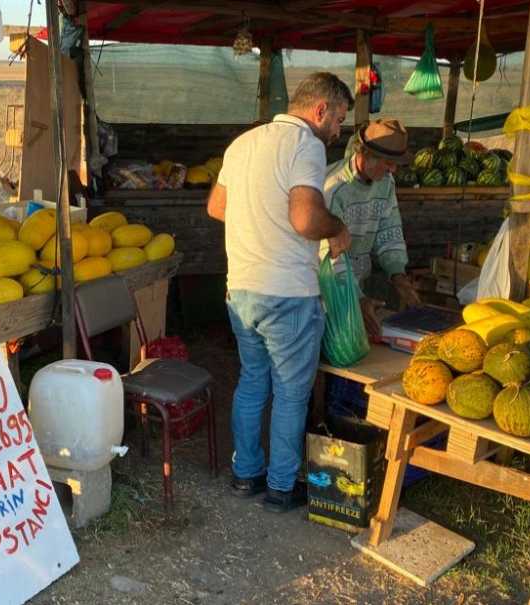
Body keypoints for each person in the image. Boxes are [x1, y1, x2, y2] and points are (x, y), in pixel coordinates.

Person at [205, 72, 352, 513]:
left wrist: (259, 222)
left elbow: (217, 207)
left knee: (252, 381)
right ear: (320, 110)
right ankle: (282, 487)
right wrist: (338, 227)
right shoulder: (305, 145)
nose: (338, 131)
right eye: (340, 119)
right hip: (287, 291)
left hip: (242, 290)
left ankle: (245, 475)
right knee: (291, 392)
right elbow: (307, 219)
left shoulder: (243, 144)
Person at [321, 119, 421, 337]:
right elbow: (329, 256)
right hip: (327, 289)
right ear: (365, 154)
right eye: (388, 163)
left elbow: (390, 229)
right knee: (336, 353)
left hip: (358, 283)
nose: (393, 170)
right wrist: (357, 298)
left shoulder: (386, 183)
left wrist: (398, 274)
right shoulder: (334, 189)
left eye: (396, 164)